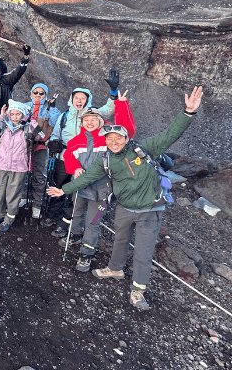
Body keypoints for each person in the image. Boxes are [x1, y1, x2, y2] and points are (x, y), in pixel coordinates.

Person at [48, 86, 202, 310]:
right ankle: (115, 268)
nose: (112, 141)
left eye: (116, 137)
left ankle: (138, 290)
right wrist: (65, 190)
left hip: (150, 208)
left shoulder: (143, 148)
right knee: (120, 240)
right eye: (109, 139)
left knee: (142, 250)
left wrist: (187, 113)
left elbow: (169, 135)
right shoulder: (107, 160)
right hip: (124, 207)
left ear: (124, 137)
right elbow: (88, 176)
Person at [61, 92, 136, 273]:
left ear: (100, 121)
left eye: (93, 119)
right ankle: (76, 234)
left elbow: (128, 129)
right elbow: (68, 155)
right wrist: (75, 168)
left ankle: (86, 253)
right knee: (77, 214)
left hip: (102, 191)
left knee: (93, 222)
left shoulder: (108, 137)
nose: (89, 122)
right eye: (86, 120)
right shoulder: (75, 141)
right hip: (80, 188)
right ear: (82, 122)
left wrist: (121, 103)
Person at [46, 70, 119, 234]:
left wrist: (113, 93)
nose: (79, 101)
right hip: (63, 157)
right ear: (72, 100)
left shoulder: (93, 114)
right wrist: (53, 142)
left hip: (85, 160)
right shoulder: (64, 116)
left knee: (76, 193)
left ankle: (65, 222)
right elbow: (56, 133)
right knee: (58, 185)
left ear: (87, 100)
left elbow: (110, 109)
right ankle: (52, 214)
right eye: (76, 98)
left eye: (82, 98)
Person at [0, 100, 45, 231]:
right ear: (9, 114)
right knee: (1, 191)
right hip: (2, 165)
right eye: (13, 114)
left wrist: (32, 120)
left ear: (22, 115)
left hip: (19, 166)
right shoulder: (4, 125)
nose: (15, 117)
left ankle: (9, 218)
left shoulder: (27, 128)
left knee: (13, 193)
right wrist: (0, 116)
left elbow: (40, 136)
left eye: (18, 114)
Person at [23, 83, 61, 218]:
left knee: (40, 176)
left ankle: (37, 205)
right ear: (31, 93)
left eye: (41, 93)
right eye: (36, 92)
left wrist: (52, 109)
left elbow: (57, 122)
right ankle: (22, 197)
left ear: (46, 95)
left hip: (42, 146)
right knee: (23, 172)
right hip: (25, 145)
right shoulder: (26, 106)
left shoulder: (50, 109)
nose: (38, 95)